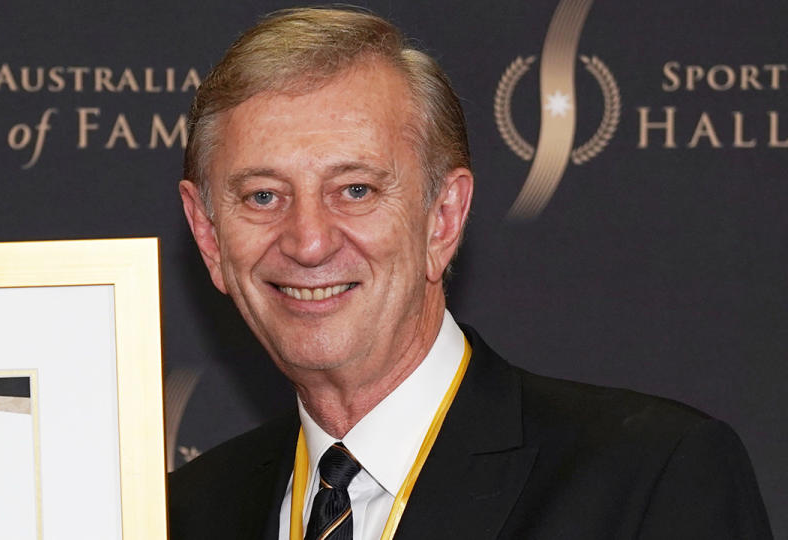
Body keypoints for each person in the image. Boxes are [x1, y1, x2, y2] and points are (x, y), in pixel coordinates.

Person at [169, 7, 772, 539]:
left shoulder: (649, 480)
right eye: (263, 197)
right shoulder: (180, 513)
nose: (308, 241)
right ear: (209, 234)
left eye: (355, 189)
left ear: (443, 218)